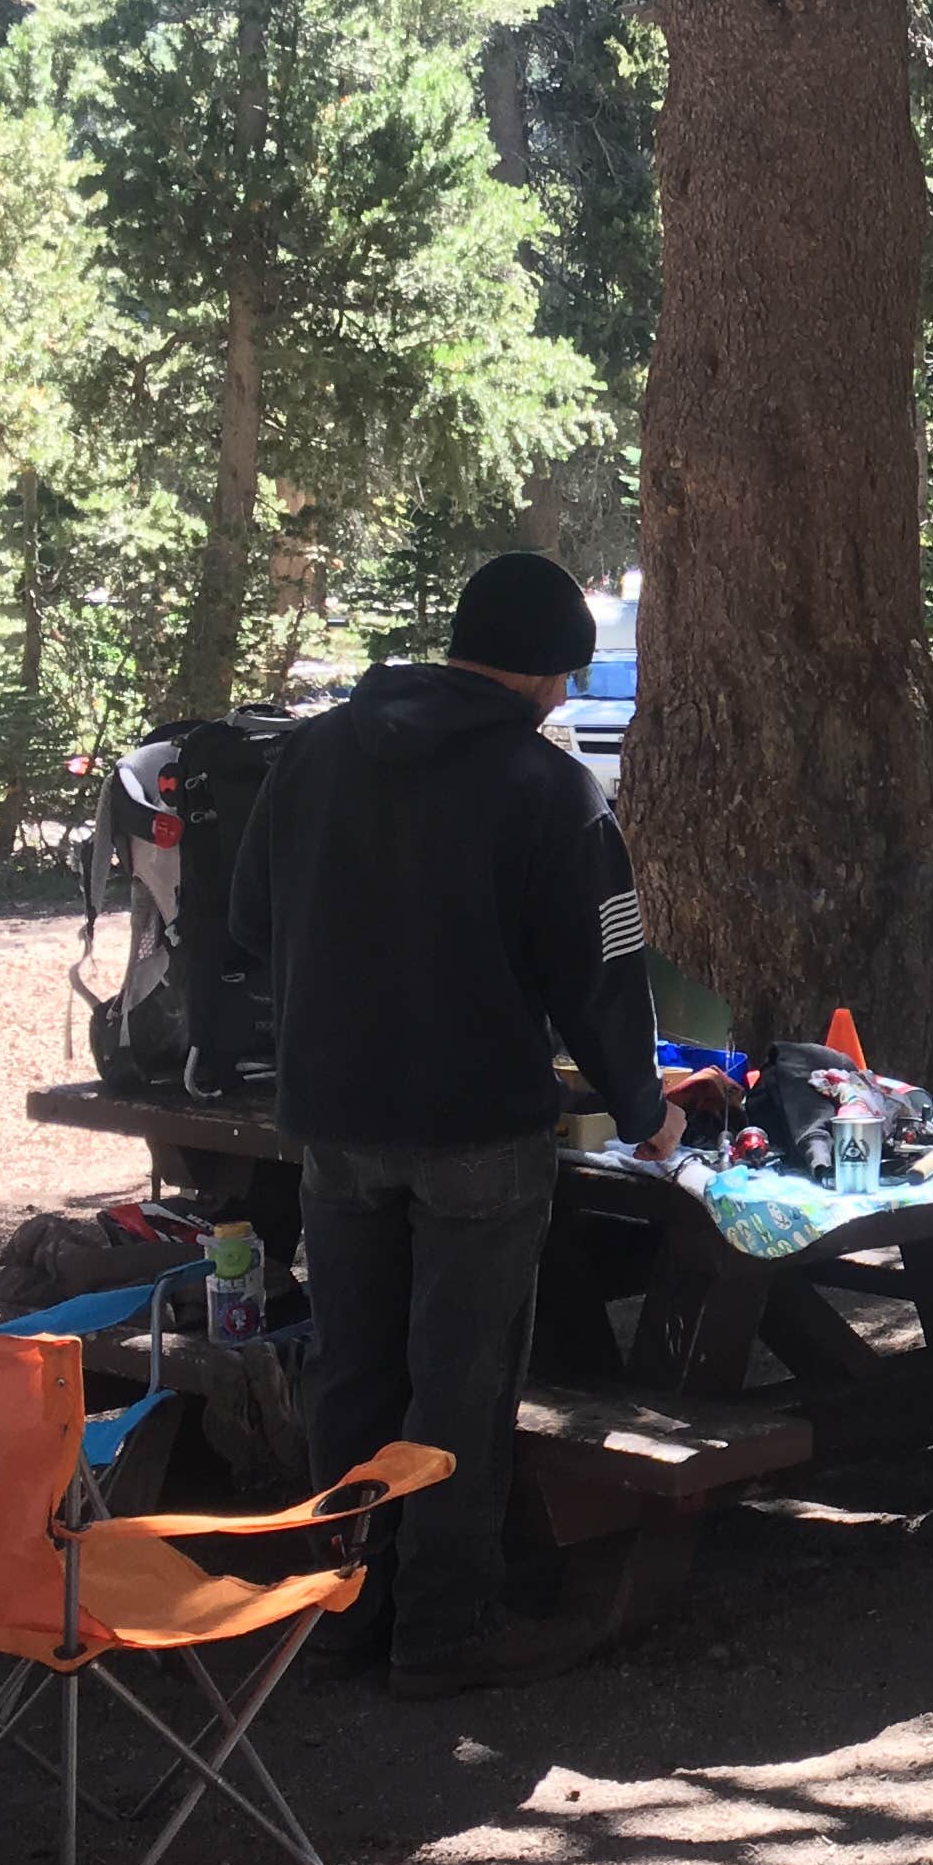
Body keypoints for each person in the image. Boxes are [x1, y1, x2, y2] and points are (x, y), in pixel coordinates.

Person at [230, 552, 682, 1700]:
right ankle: (444, 1625)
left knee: (350, 1367)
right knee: (461, 1380)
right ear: (546, 677)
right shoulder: (550, 790)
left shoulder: (315, 755)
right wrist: (644, 1109)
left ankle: (337, 1608)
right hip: (479, 1123)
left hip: (333, 1114)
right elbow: (605, 972)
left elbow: (245, 917)